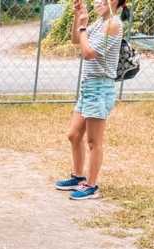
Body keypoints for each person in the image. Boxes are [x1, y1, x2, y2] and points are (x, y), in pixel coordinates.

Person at [55, 0, 128, 200]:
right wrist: (78, 17)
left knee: (94, 142)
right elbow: (76, 40)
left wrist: (84, 25)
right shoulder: (99, 22)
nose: (96, 2)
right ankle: (78, 177)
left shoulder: (114, 24)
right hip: (88, 87)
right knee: (74, 135)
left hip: (100, 87)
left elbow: (88, 53)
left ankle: (92, 186)